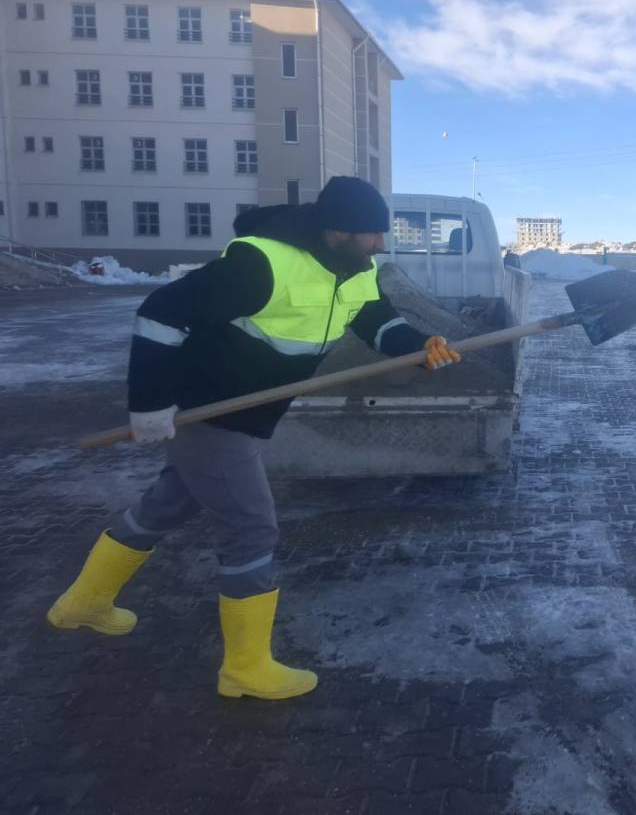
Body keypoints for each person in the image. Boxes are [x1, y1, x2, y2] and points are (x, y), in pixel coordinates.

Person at [46, 176, 460, 701]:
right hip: (212, 414)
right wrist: (149, 402)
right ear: (336, 232)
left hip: (248, 414)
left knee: (167, 506)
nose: (380, 244)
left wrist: (420, 343)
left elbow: (373, 317)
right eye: (371, 234)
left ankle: (84, 602)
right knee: (251, 529)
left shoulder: (357, 268)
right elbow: (160, 312)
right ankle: (244, 669)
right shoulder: (262, 263)